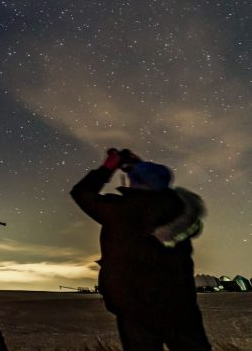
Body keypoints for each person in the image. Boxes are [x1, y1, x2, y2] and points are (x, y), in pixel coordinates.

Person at [71, 148, 210, 351]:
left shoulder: (121, 209)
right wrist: (140, 167)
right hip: (180, 304)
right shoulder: (179, 208)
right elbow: (157, 184)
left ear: (136, 182)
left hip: (134, 307)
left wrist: (109, 166)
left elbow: (82, 192)